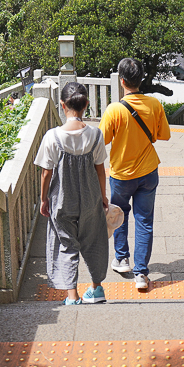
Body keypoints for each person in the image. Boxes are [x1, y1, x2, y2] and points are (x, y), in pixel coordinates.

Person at [99, 58, 171, 292]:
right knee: (144, 221)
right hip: (148, 171)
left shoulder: (114, 109)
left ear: (122, 81)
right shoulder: (154, 104)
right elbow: (164, 135)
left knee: (118, 213)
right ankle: (141, 273)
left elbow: (102, 141)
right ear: (141, 80)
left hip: (121, 174)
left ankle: (122, 259)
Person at [35, 82, 110, 304]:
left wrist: (43, 199)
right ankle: (96, 289)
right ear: (86, 104)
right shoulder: (95, 135)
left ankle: (72, 297)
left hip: (62, 200)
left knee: (65, 243)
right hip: (90, 198)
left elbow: (45, 174)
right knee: (95, 239)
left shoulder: (52, 137)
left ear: (62, 104)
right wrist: (103, 197)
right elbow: (100, 171)